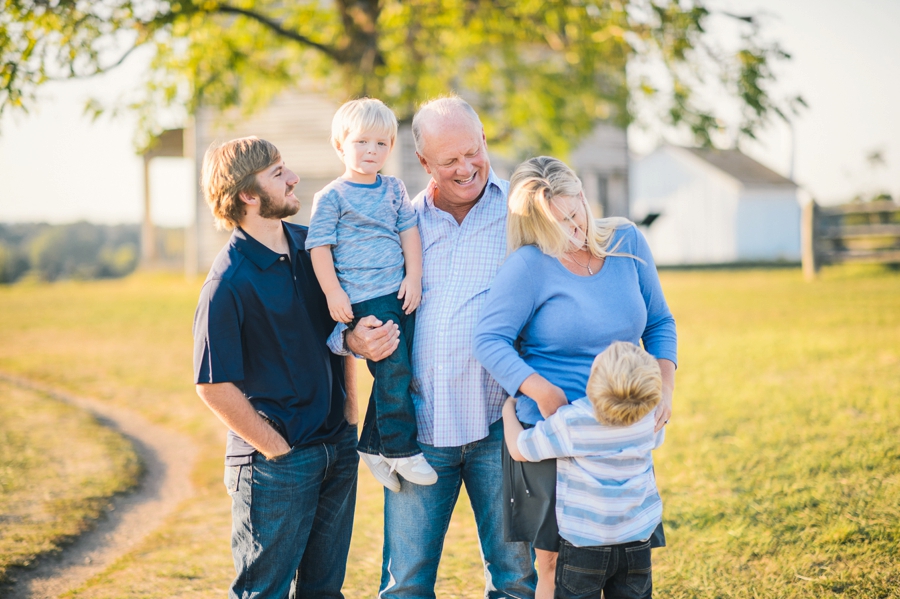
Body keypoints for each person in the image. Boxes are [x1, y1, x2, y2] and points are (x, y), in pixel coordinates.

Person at [336, 96, 538, 598]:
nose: (467, 168)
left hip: (503, 428)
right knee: (405, 584)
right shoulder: (396, 219)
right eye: (450, 161)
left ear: (485, 141)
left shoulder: (523, 211)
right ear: (424, 164)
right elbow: (354, 295)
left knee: (516, 580)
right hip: (418, 433)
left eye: (474, 152)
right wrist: (350, 337)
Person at [192, 137, 390, 598]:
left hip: (336, 448)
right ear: (248, 194)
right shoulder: (227, 282)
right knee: (265, 592)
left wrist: (349, 416)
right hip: (275, 465)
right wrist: (277, 449)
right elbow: (212, 385)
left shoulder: (313, 246)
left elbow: (336, 336)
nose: (294, 178)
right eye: (279, 173)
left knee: (324, 591)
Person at [473, 156, 677, 599]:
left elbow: (660, 323)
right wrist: (540, 391)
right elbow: (489, 339)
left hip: (622, 426)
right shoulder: (529, 265)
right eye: (559, 222)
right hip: (553, 433)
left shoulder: (626, 241)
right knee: (556, 566)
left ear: (584, 196)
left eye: (575, 211)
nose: (574, 227)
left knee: (627, 552)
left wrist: (664, 388)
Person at [307, 98, 436, 492]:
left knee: (398, 370)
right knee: (393, 370)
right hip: (364, 297)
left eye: (381, 144)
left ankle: (371, 446)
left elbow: (409, 234)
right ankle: (400, 449)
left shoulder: (394, 189)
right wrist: (333, 293)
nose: (371, 152)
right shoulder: (332, 197)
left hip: (398, 291)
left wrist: (414, 277)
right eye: (362, 142)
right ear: (340, 144)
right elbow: (319, 247)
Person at [502, 341, 666, 599]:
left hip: (585, 543)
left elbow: (519, 449)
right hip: (637, 541)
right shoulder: (649, 418)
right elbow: (656, 440)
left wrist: (508, 410)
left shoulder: (574, 420)